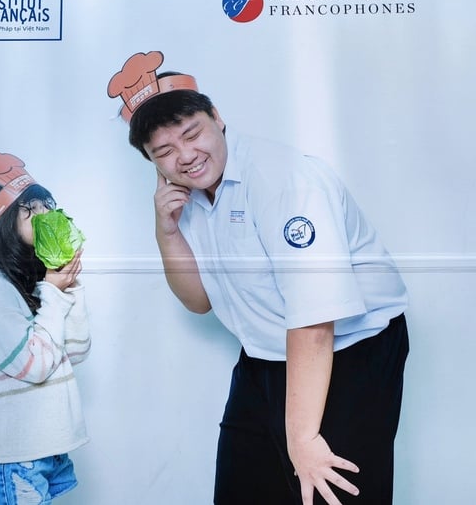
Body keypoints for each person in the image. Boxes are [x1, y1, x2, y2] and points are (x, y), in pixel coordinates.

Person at [107, 51, 409, 505]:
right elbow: (198, 300)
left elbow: (314, 319)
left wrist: (302, 439)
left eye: (192, 134)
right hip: (265, 355)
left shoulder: (284, 180)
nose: (185, 156)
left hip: (348, 351)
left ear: (217, 118)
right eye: (164, 152)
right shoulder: (186, 195)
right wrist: (166, 230)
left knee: (330, 491)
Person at [0, 150, 91, 505]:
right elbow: (35, 366)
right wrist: (54, 292)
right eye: (29, 208)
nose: (45, 212)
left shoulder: (37, 285)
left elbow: (75, 350)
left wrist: (67, 287)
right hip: (12, 457)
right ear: (2, 224)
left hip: (43, 450)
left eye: (45, 202)